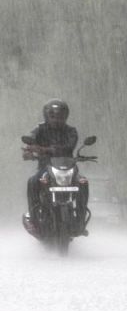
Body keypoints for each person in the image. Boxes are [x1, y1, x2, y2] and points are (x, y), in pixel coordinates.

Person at [22, 99, 88, 237]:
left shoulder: (71, 131)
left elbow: (68, 147)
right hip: (46, 167)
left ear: (65, 116)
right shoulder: (39, 129)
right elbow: (30, 142)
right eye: (53, 116)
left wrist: (42, 149)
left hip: (69, 168)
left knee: (83, 182)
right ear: (47, 116)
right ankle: (34, 220)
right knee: (33, 181)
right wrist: (28, 152)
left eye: (60, 116)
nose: (56, 119)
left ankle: (80, 220)